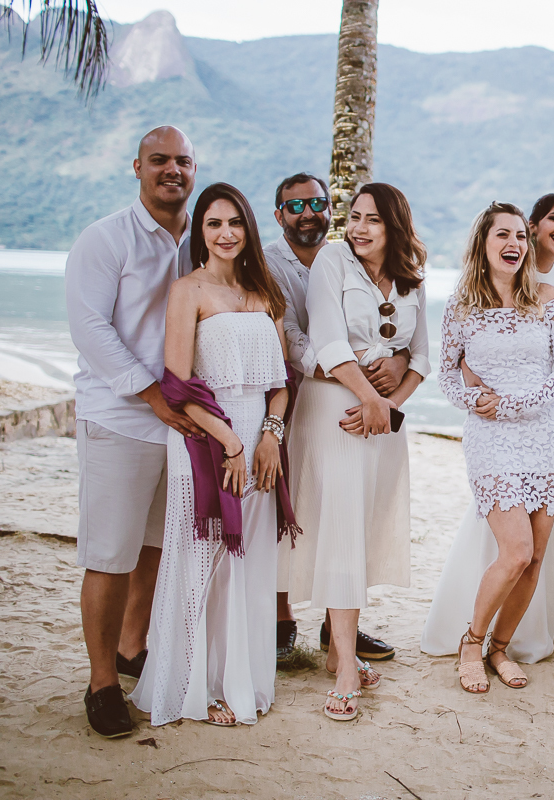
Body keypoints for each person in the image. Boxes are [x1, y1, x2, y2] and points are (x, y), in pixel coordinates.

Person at [130, 183, 295, 727]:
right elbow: (177, 385)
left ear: (249, 228)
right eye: (214, 224)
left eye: (235, 223)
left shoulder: (264, 290)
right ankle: (194, 686)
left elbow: (281, 383)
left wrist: (269, 437)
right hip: (207, 439)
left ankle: (237, 681)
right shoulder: (188, 291)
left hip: (260, 442)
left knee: (248, 565)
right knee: (203, 558)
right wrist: (230, 443)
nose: (226, 234)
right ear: (200, 232)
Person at [65, 126, 199, 738]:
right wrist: (151, 394)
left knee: (155, 547)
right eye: (159, 160)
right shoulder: (105, 238)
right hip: (119, 418)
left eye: (183, 161)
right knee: (110, 554)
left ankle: (130, 648)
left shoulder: (204, 238)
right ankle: (101, 683)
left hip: (182, 424)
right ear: (137, 167)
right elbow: (90, 328)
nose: (172, 170)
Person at [285, 183, 430, 721]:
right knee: (342, 530)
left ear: (395, 226)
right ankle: (346, 666)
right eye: (356, 216)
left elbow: (420, 355)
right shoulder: (332, 262)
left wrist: (389, 403)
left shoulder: (412, 277)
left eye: (373, 219)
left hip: (382, 421)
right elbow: (327, 340)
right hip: (336, 412)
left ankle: (336, 651)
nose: (360, 227)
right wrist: (370, 398)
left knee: (361, 529)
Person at [421, 193, 554, 665]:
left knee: (535, 559)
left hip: (547, 437)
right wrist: (475, 400)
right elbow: (447, 375)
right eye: (502, 234)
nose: (514, 243)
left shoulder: (548, 298)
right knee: (515, 552)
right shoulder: (461, 306)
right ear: (483, 243)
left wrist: (514, 404)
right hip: (491, 439)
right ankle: (472, 643)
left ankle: (501, 649)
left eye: (519, 235)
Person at [264, 172, 399, 665]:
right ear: (279, 215)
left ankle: (336, 625)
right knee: (285, 505)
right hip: (284, 391)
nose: (308, 213)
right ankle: (281, 615)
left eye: (317, 204)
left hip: (346, 396)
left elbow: (384, 324)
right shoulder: (267, 262)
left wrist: (397, 363)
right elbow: (288, 332)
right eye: (295, 206)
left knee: (345, 510)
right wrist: (340, 370)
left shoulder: (349, 256)